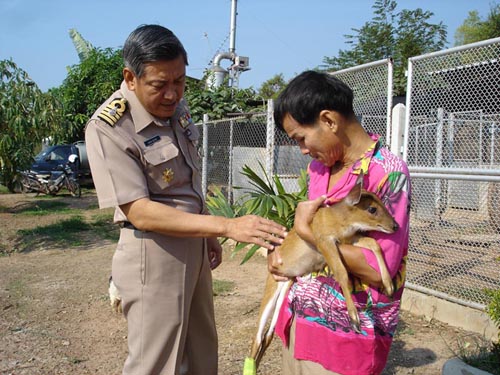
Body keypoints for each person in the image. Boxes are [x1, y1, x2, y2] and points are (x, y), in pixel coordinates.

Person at [84, 24, 287, 375]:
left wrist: (207, 234)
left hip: (193, 243)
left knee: (202, 351)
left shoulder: (177, 107)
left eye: (179, 81)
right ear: (130, 78)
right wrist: (225, 225)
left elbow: (187, 178)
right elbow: (140, 211)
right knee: (157, 363)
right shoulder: (110, 127)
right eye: (160, 84)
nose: (172, 93)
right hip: (153, 252)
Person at [268, 71, 411, 375]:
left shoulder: (387, 173)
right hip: (301, 325)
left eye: (301, 139)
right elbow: (312, 246)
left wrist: (310, 234)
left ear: (329, 121)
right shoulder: (320, 170)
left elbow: (376, 268)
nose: (304, 150)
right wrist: (281, 253)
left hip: (349, 341)